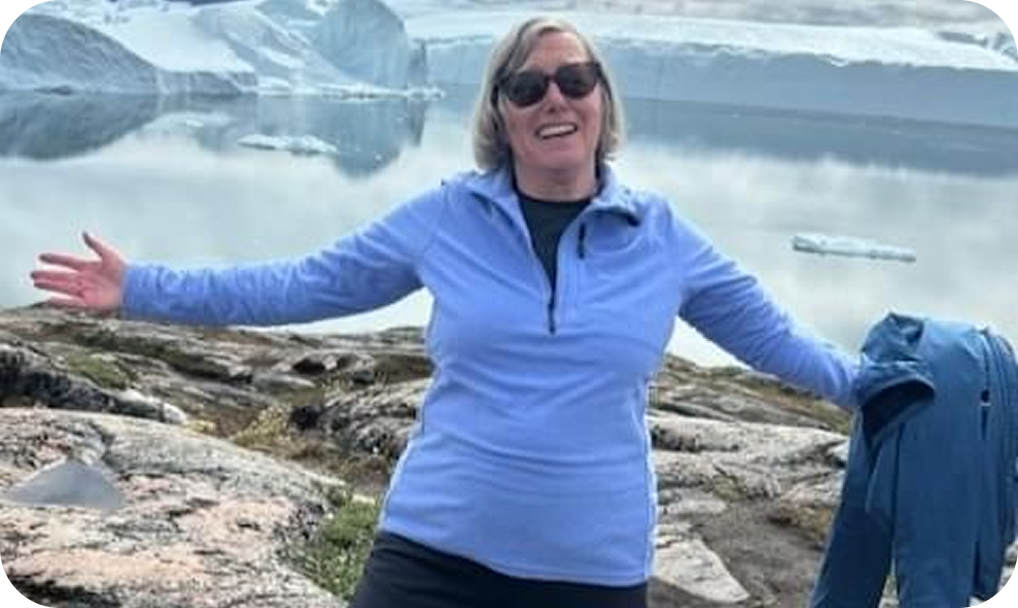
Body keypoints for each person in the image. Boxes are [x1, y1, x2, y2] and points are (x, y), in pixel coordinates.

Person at [31, 15, 859, 608]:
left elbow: (775, 338)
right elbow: (299, 284)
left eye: (575, 80)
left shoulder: (663, 236)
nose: (554, 100)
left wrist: (877, 388)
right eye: (528, 87)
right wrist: (142, 289)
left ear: (603, 100)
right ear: (499, 112)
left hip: (590, 569)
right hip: (433, 554)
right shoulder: (446, 217)